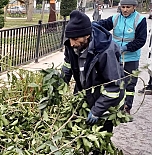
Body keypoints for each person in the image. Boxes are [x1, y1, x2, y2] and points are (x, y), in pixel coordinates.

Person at [62, 10, 125, 154]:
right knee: (80, 136)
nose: (72, 43)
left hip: (106, 103)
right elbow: (67, 66)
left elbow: (114, 87)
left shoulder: (105, 51)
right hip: (86, 93)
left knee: (99, 139)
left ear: (87, 35)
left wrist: (97, 111)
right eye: (70, 38)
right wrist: (60, 84)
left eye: (75, 39)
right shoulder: (72, 45)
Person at [94, 0, 147, 114]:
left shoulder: (140, 20)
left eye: (128, 7)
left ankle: (127, 107)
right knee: (114, 81)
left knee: (130, 83)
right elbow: (103, 25)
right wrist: (93, 24)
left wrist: (125, 48)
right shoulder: (116, 18)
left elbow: (141, 40)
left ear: (134, 7)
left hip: (131, 57)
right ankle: (114, 105)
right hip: (115, 56)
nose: (125, 10)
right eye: (123, 7)